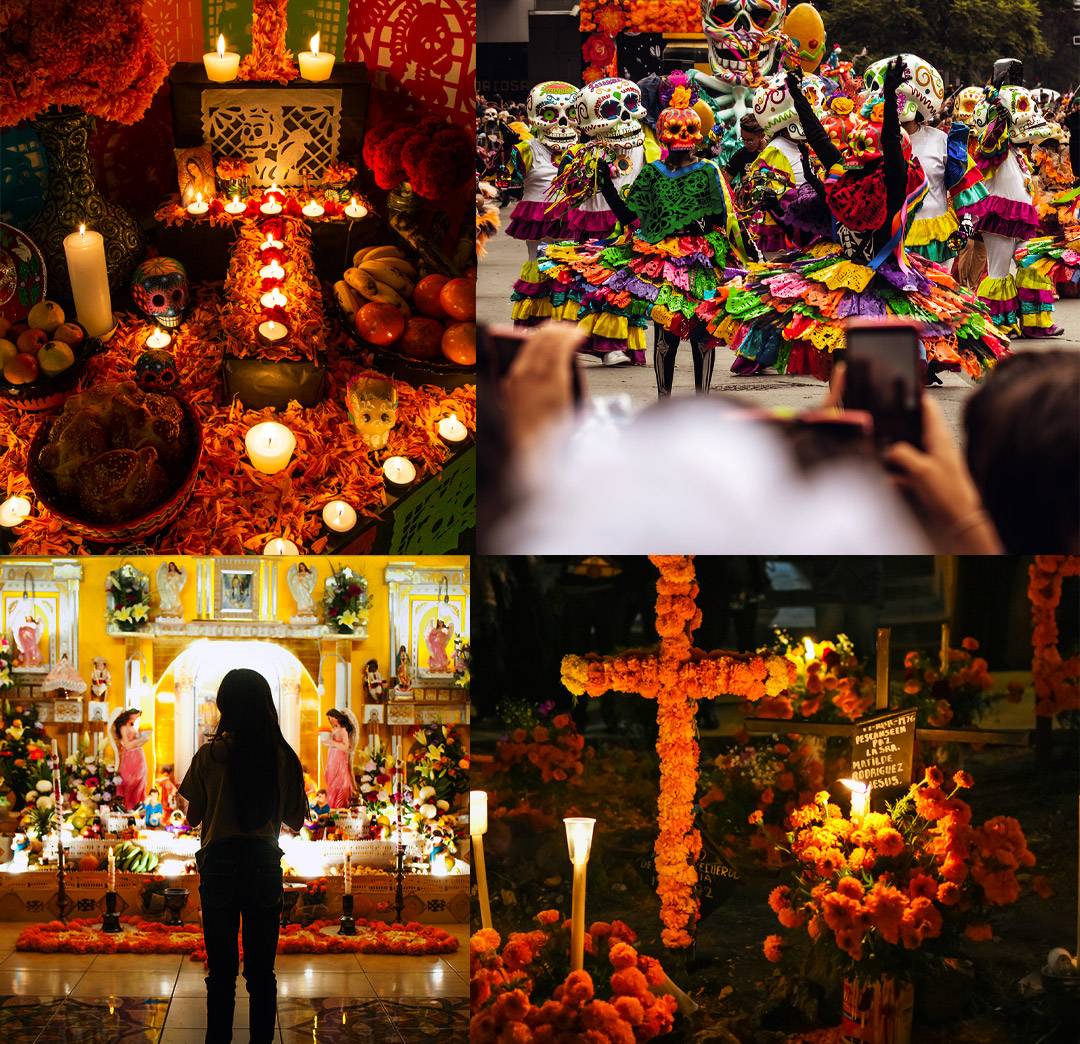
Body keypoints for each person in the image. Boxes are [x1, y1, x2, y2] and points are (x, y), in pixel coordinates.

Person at [717, 60, 1010, 382]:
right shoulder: (849, 177)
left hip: (883, 280)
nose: (854, 154)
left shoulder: (891, 183)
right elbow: (819, 138)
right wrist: (798, 97)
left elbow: (870, 145)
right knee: (857, 368)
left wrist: (882, 97)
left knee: (875, 368)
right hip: (850, 280)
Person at [540, 71, 752, 395]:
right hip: (663, 262)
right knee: (670, 335)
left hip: (696, 263)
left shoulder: (708, 172)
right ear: (666, 134)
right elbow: (632, 217)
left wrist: (739, 256)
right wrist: (607, 186)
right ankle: (669, 401)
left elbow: (724, 220)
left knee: (697, 337)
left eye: (688, 129)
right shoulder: (660, 172)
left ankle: (696, 402)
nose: (682, 136)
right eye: (676, 129)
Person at [179, 668, 307, 1044]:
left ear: (225, 707)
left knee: (220, 973)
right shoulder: (283, 757)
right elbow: (296, 820)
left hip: (219, 866)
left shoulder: (210, 755)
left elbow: (193, 818)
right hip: (263, 866)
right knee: (261, 974)